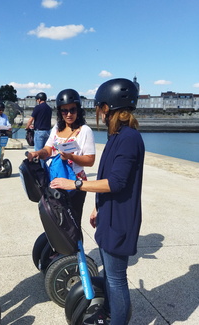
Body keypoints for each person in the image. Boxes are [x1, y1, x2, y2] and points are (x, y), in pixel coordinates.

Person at [50, 78, 145, 325]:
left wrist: (76, 184)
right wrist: (97, 207)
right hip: (109, 214)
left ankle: (118, 320)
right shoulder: (117, 136)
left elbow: (116, 182)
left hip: (121, 218)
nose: (98, 113)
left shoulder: (129, 139)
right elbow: (107, 178)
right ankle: (109, 311)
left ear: (108, 108)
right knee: (112, 277)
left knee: (116, 279)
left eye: (100, 107)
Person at [27, 88, 95, 227]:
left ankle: (77, 249)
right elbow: (48, 149)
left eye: (72, 110)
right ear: (60, 112)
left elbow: (90, 160)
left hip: (75, 183)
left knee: (73, 224)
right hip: (56, 180)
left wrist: (71, 157)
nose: (69, 114)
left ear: (78, 110)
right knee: (57, 222)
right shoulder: (57, 128)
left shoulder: (85, 131)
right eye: (64, 111)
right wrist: (37, 154)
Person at [26, 92, 52, 165]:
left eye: (37, 100)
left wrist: (27, 127)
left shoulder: (38, 107)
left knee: (39, 153)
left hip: (39, 132)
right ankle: (47, 170)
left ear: (39, 99)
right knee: (46, 152)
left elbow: (31, 119)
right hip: (47, 132)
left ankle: (41, 171)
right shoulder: (49, 108)